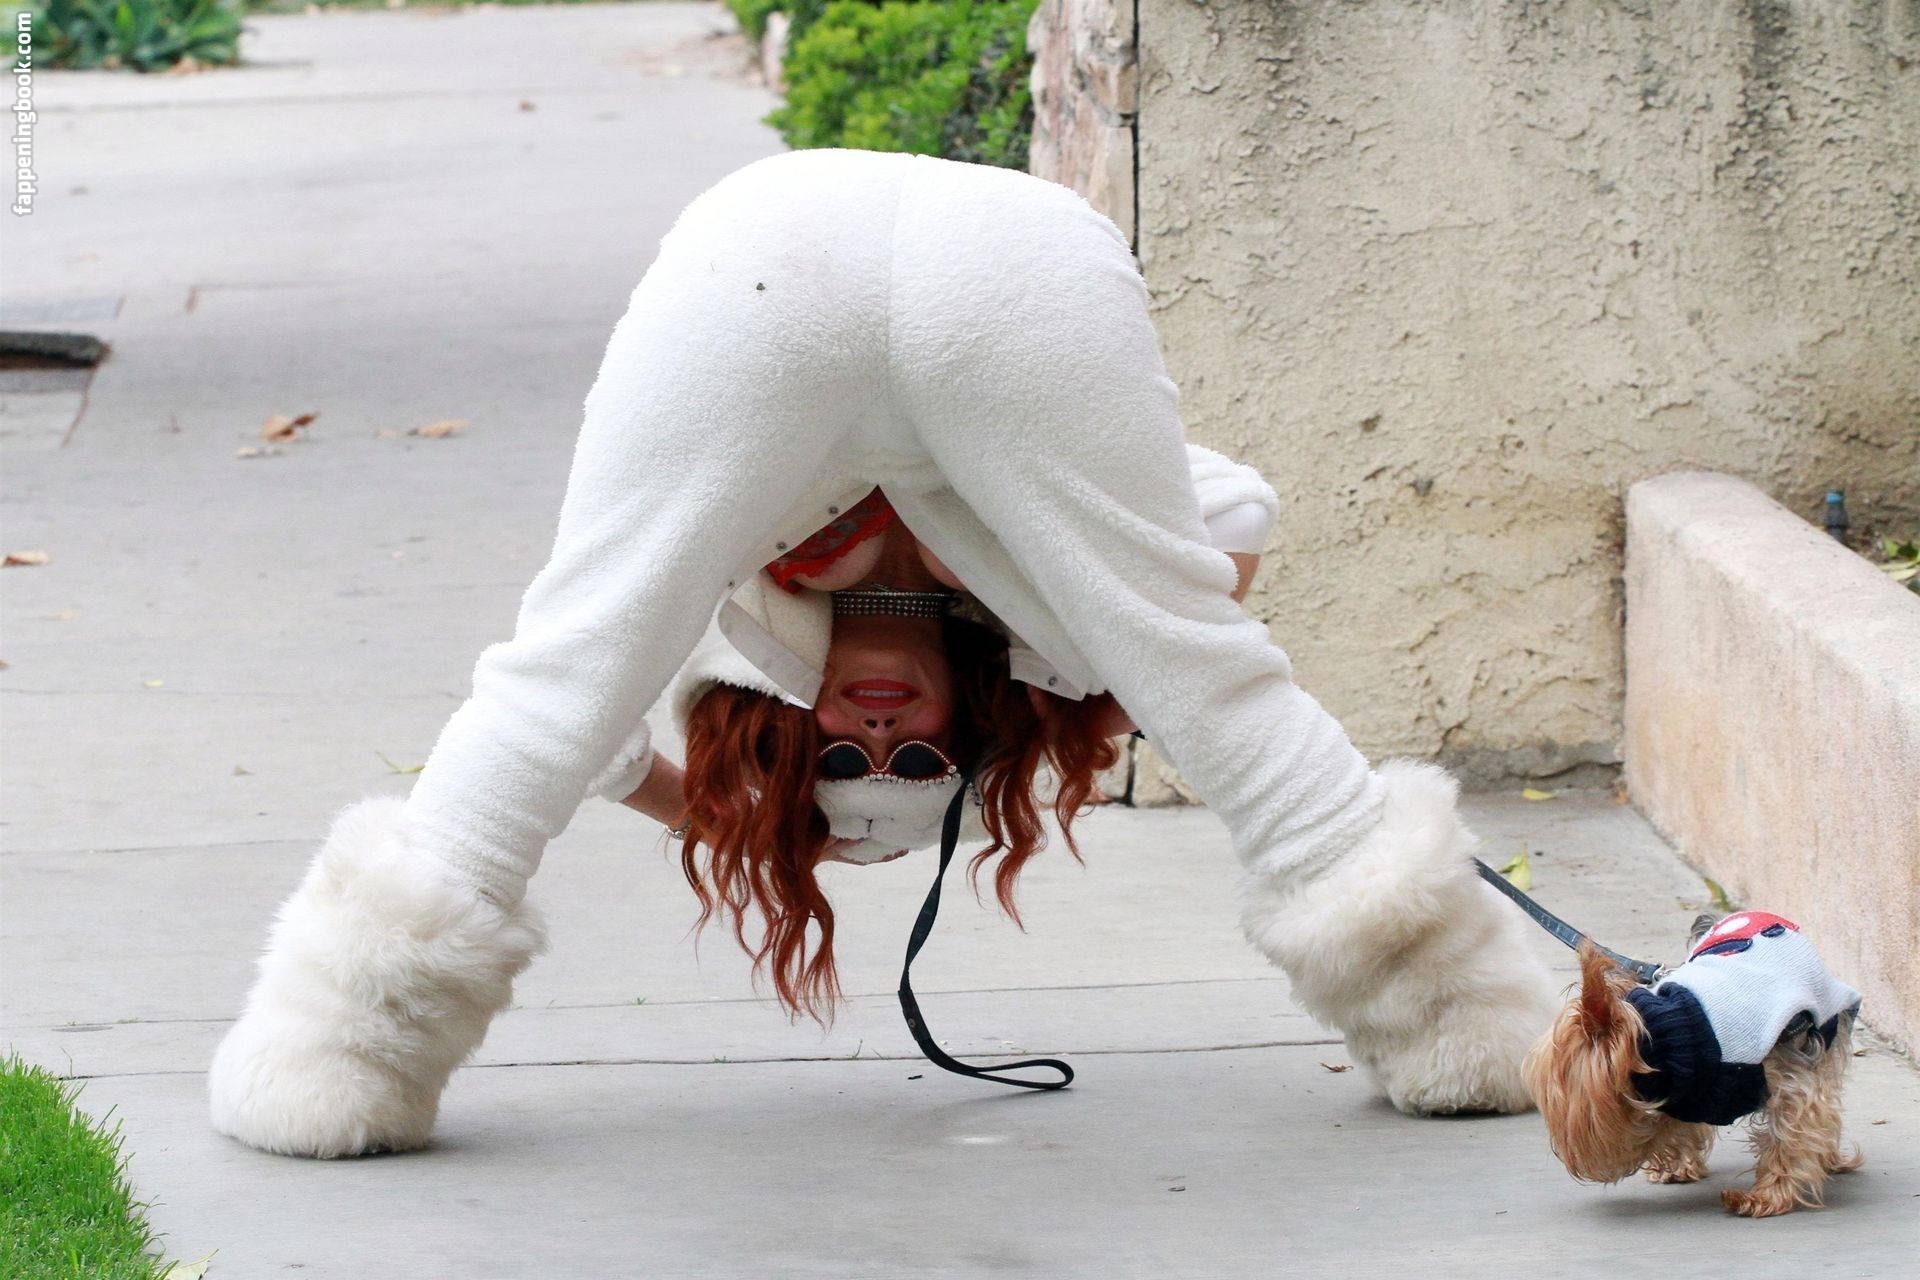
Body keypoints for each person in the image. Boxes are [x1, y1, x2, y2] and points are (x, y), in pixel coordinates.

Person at [208, 149, 1558, 1159]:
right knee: (1199, 666)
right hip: (1020, 264)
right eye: (915, 763)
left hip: (767, 252)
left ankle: (338, 1058)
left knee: (566, 669)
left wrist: (752, 823)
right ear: (973, 722)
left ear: (791, 728)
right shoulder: (1052, 635)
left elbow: (579, 723)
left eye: (839, 762)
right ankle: (1460, 1025)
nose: (873, 732)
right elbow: (1236, 520)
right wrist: (1057, 608)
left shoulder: (739, 616)